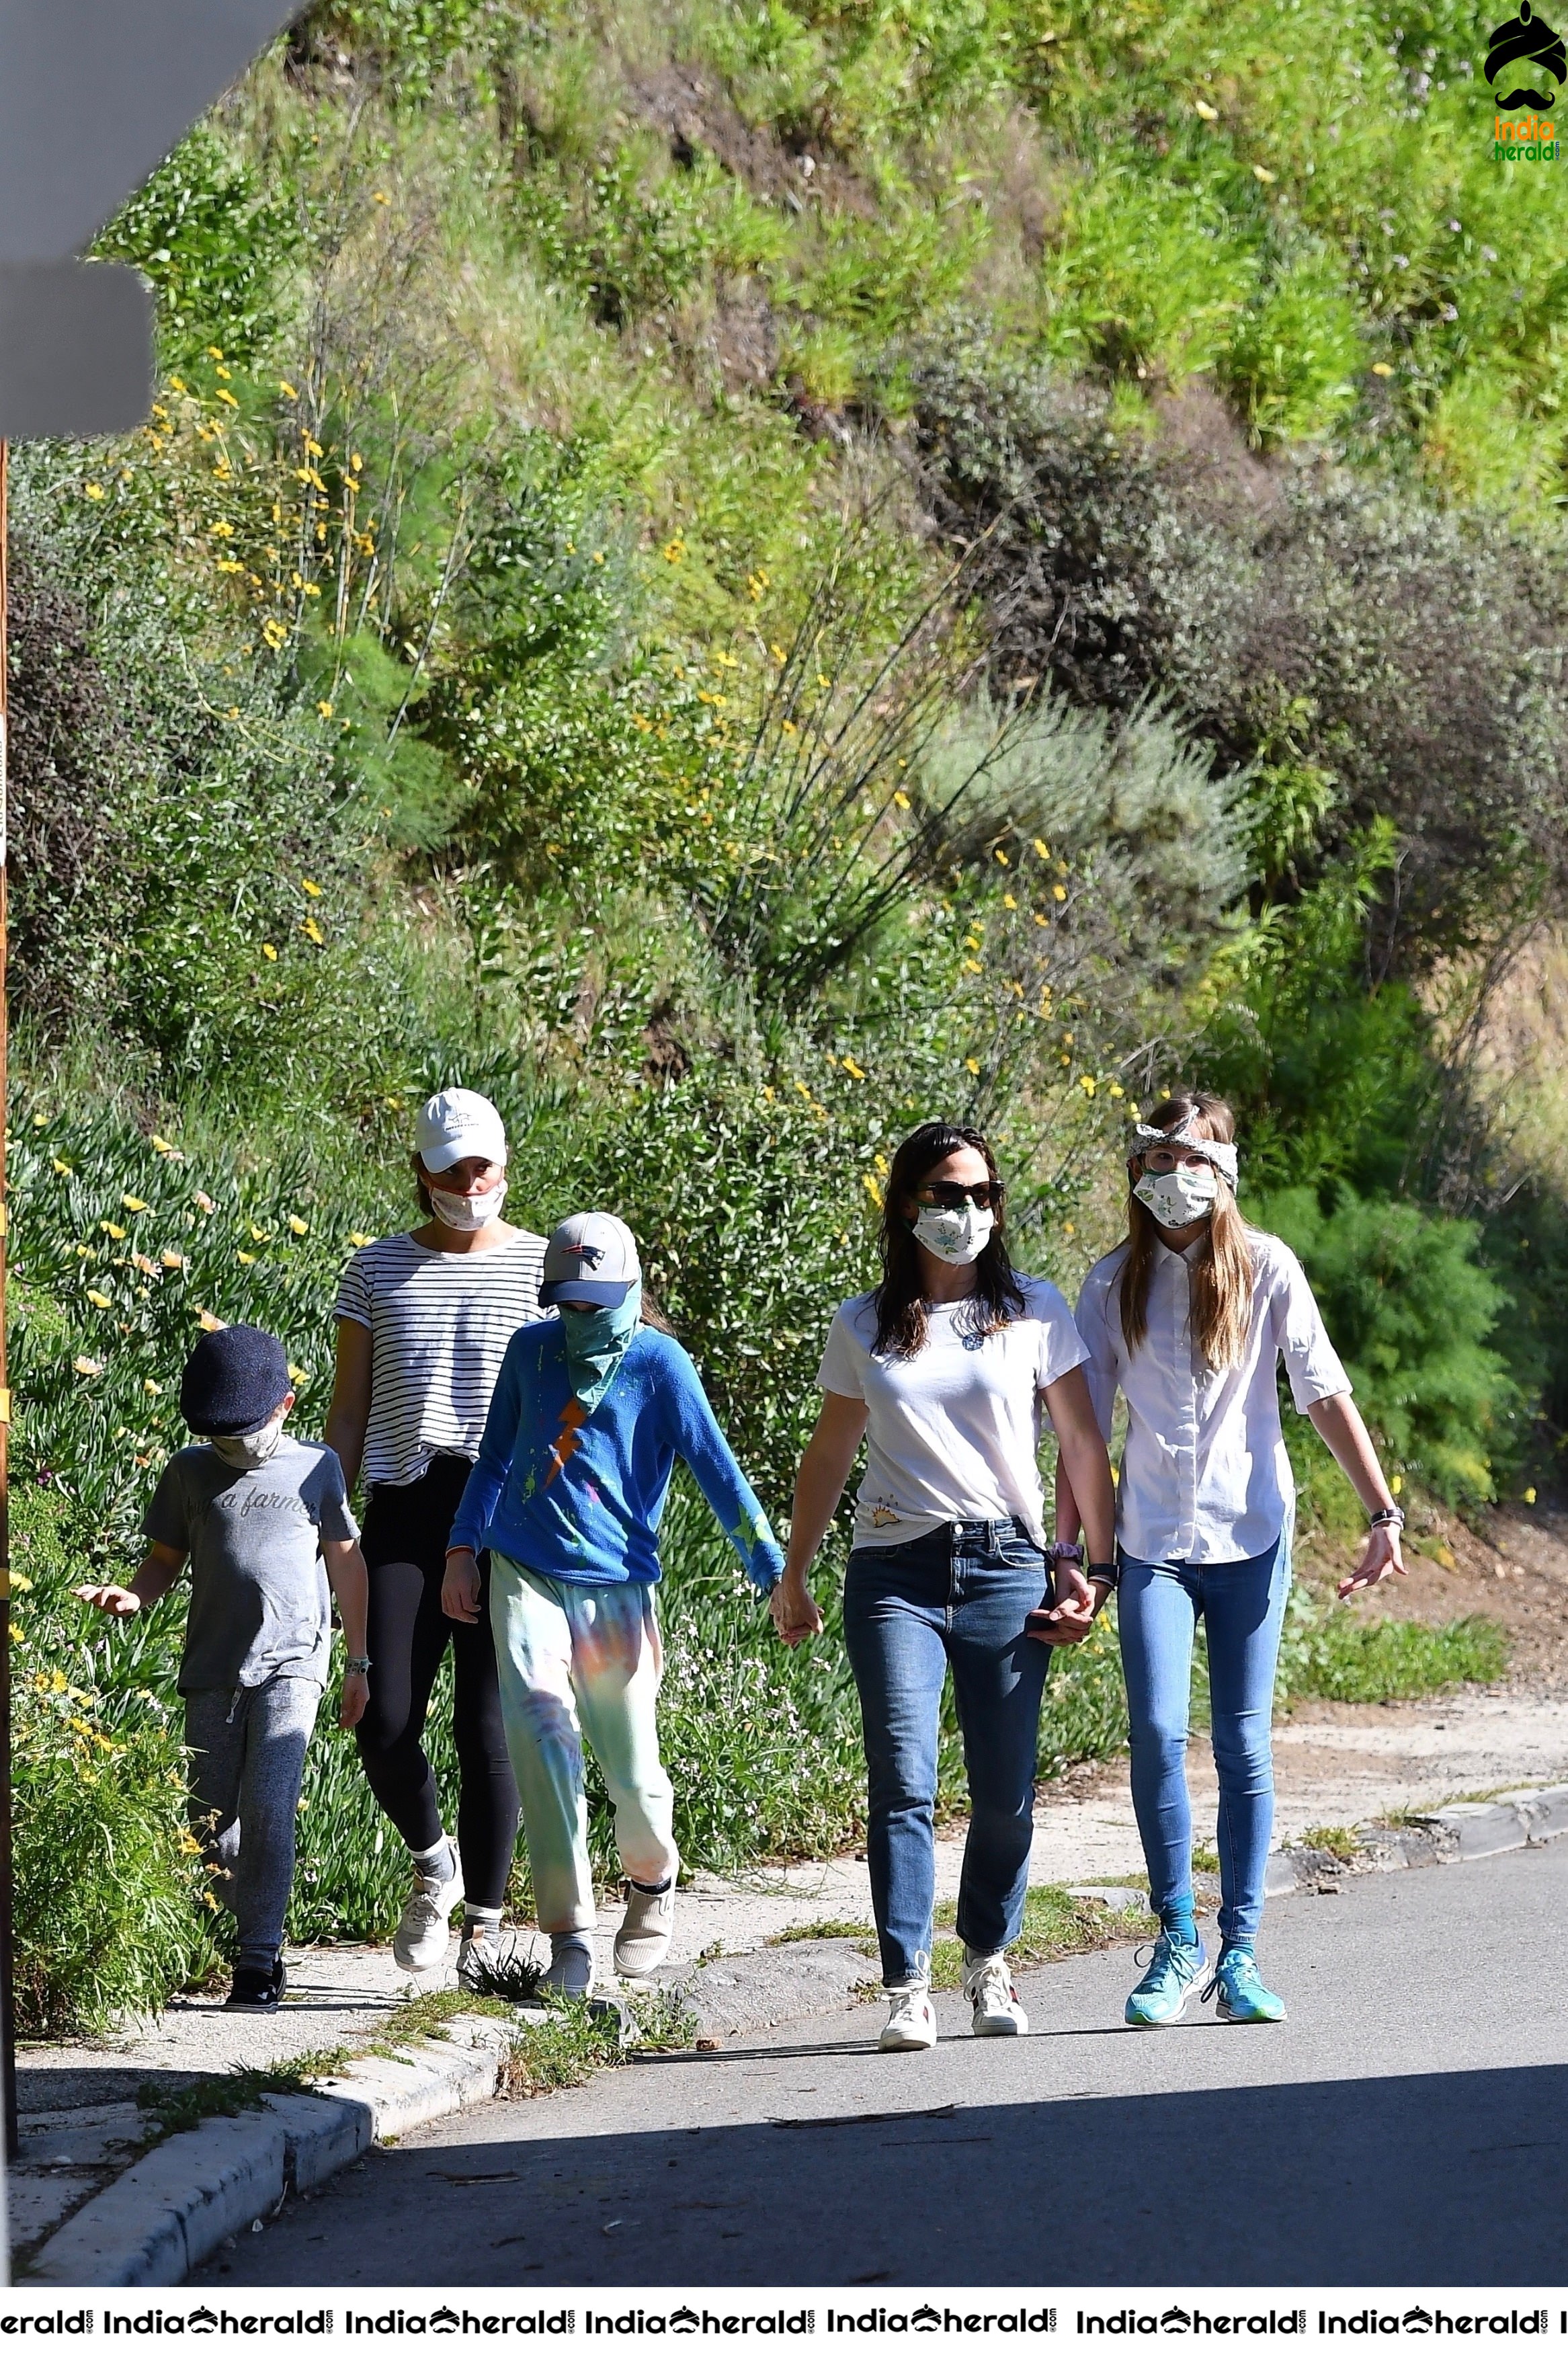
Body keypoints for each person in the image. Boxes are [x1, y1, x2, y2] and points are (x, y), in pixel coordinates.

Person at [1050, 1089, 1405, 2028]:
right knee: (1158, 1735)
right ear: (1136, 1170)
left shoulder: (1269, 1270)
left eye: (1194, 1160)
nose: (1175, 1178)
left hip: (1250, 1534)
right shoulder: (1110, 1281)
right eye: (1158, 1161)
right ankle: (1174, 1944)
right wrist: (1071, 1550)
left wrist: (1382, 1511)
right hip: (1152, 1543)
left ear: (1226, 1173)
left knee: (1243, 1743)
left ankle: (1240, 1952)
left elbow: (1322, 1393)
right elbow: (1079, 1431)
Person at [770, 1121, 1117, 2054]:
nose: (964, 1212)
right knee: (903, 1780)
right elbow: (830, 1452)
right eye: (942, 1194)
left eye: (979, 1195)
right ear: (906, 1206)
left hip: (1008, 1565)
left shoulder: (1035, 1311)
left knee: (1005, 1793)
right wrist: (793, 1570)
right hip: (894, 1571)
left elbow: (1083, 1447)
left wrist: (1094, 1569)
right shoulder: (864, 1324)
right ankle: (905, 1983)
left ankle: (987, 1956)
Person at [444, 1211, 784, 1996]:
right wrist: (463, 1548)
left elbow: (717, 1471)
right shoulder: (530, 1352)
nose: (580, 1316)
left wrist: (773, 1572)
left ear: (630, 1289)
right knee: (540, 1732)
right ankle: (570, 1935)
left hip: (619, 1589)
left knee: (631, 1770)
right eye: (567, 1301)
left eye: (596, 1301)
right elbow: (496, 1456)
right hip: (524, 1570)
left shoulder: (660, 1364)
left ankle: (652, 1881)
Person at [75, 1324, 370, 2011]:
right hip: (212, 1665)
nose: (233, 1444)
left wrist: (358, 1659)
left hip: (293, 1659)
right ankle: (217, 1936)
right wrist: (135, 1593)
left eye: (244, 1429)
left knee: (269, 1804)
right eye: (220, 1432)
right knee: (211, 1819)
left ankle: (259, 1958)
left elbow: (347, 1564)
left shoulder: (314, 1467)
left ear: (285, 1406)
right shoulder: (190, 1469)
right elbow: (164, 1558)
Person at [327, 1088, 546, 1986]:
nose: (472, 1180)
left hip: (504, 1510)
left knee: (486, 1724)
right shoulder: (373, 1271)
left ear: (504, 1162)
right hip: (408, 1505)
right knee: (382, 1719)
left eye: (484, 1162)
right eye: (453, 1166)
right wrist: (324, 1505)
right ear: (421, 1172)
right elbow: (349, 1410)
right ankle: (434, 1863)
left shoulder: (543, 1266)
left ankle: (486, 1929)